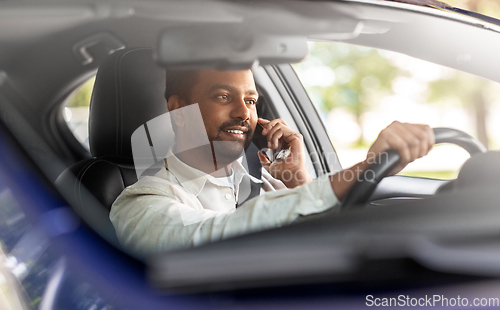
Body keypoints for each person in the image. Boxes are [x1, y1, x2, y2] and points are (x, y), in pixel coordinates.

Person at [109, 68, 434, 257]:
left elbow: (323, 245)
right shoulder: (140, 205)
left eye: (250, 100)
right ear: (179, 111)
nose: (243, 112)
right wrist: (366, 167)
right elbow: (216, 236)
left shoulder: (270, 183)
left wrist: (299, 182)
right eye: (223, 97)